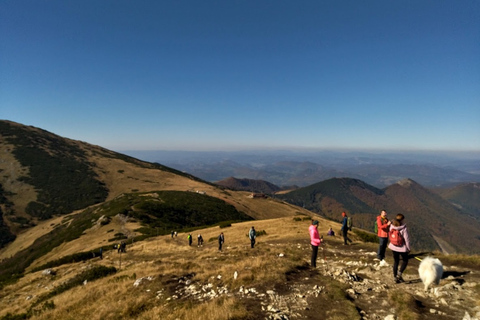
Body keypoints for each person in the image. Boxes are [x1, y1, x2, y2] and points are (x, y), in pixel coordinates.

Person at [388, 214, 411, 283]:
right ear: (402, 220)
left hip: (393, 246)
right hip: (402, 247)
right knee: (405, 261)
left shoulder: (392, 226)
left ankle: (395, 277)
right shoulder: (403, 228)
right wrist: (408, 248)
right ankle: (399, 274)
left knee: (396, 262)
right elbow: (406, 239)